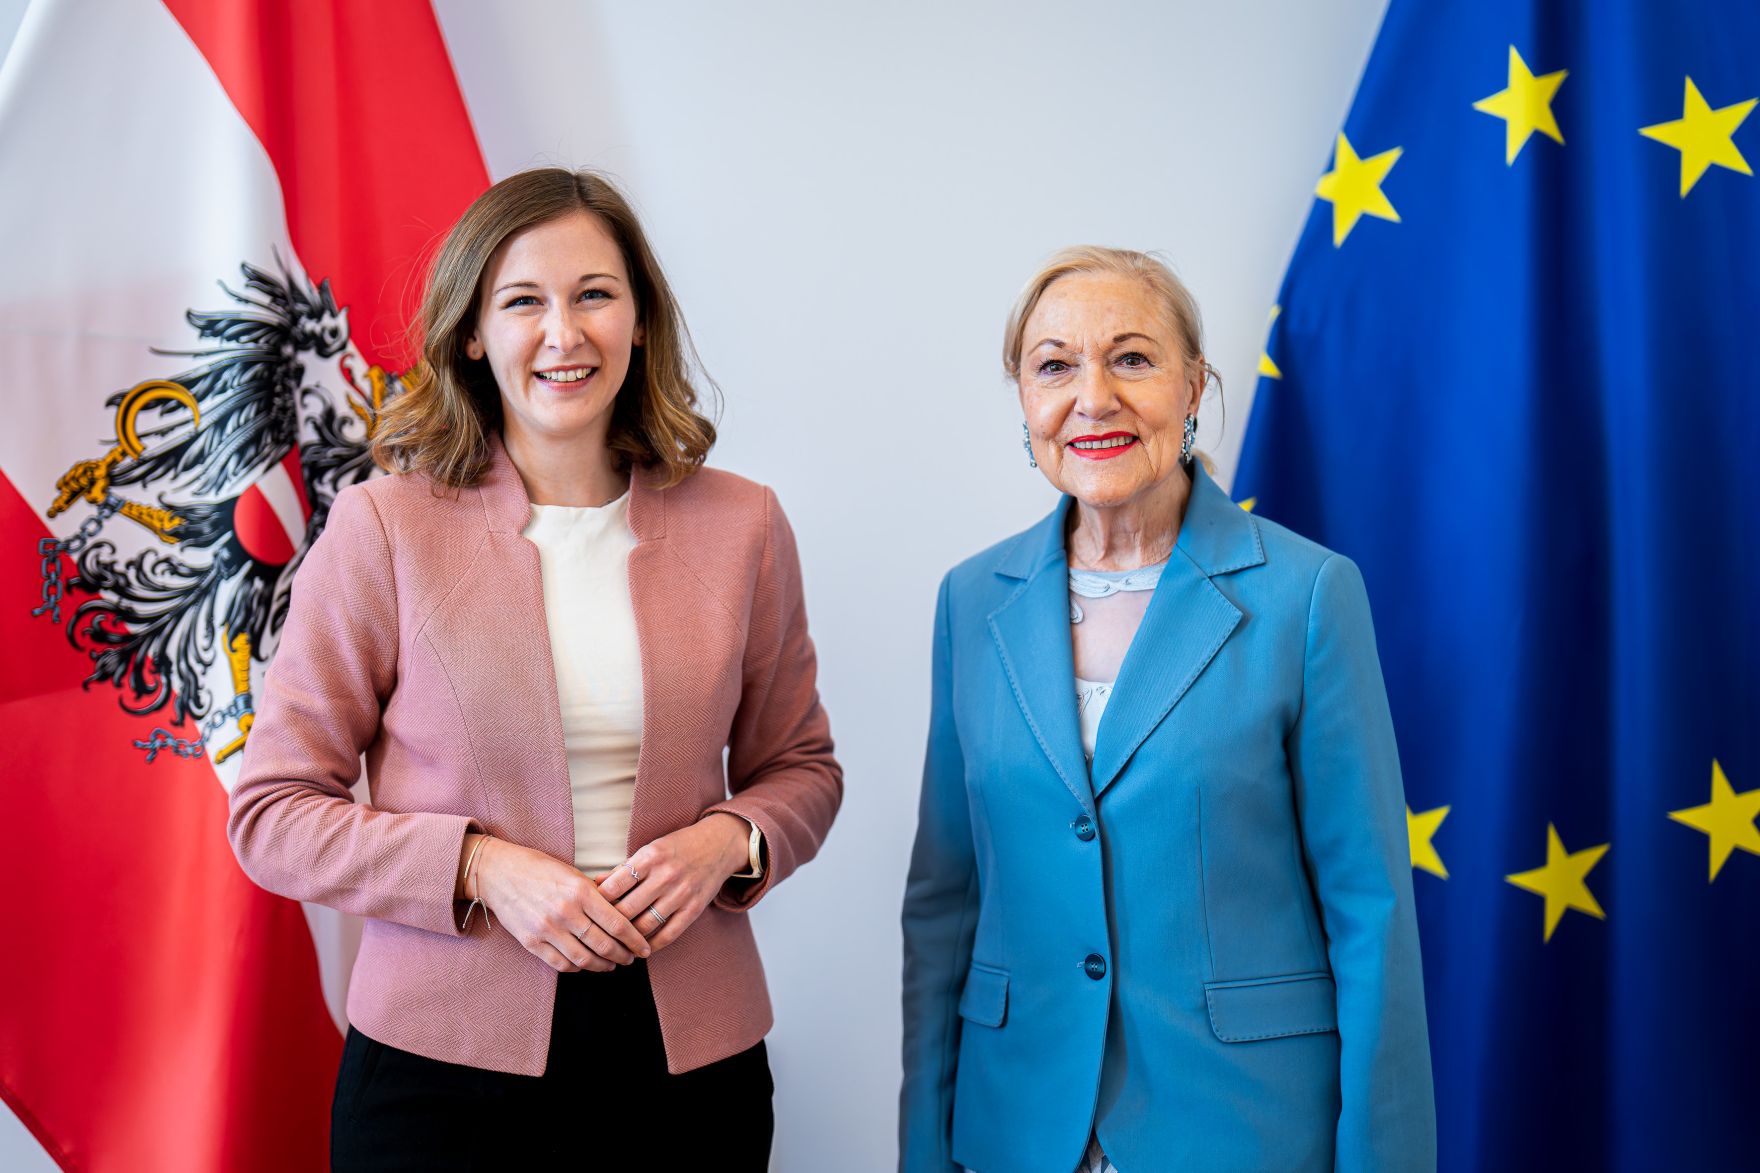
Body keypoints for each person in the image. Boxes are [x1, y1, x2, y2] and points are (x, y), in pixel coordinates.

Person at [229, 167, 842, 1170]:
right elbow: (271, 813)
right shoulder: (384, 529)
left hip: (692, 1075)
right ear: (473, 331)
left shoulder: (745, 526)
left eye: (594, 294)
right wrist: (479, 868)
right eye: (524, 301)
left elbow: (804, 770)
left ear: (640, 319)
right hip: (438, 1082)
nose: (565, 333)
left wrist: (728, 840)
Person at [899, 246, 1435, 1172]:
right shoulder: (971, 599)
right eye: (1055, 364)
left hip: (1241, 1130)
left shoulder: (1306, 594)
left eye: (1132, 358)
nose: (1092, 396)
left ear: (1194, 386)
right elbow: (944, 903)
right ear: (1024, 401)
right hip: (1013, 1129)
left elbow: (1370, 913)